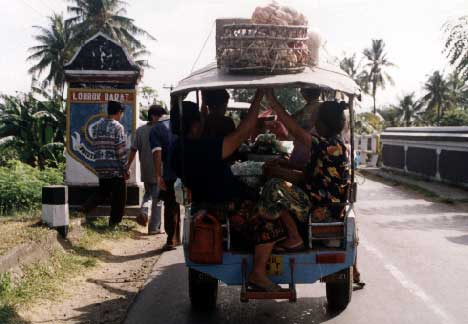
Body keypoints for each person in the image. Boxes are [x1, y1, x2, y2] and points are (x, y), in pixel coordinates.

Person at [172, 91, 288, 292]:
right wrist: (259, 97)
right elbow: (242, 134)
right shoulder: (202, 148)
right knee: (271, 218)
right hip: (225, 206)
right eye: (201, 120)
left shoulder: (175, 149)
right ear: (194, 125)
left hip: (203, 203)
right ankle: (258, 272)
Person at [81, 100, 129, 227]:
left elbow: (94, 145)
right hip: (114, 168)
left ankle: (83, 210)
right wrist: (125, 168)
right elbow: (120, 149)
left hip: (101, 166)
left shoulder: (97, 125)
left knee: (102, 193)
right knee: (119, 196)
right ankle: (114, 222)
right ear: (119, 112)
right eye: (122, 113)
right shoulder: (118, 127)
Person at [126, 105, 167, 234]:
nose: (161, 119)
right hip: (158, 169)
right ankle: (154, 228)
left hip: (145, 168)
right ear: (154, 116)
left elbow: (133, 150)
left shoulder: (140, 130)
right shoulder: (162, 130)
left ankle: (143, 211)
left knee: (148, 194)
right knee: (158, 199)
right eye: (160, 116)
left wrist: (127, 166)